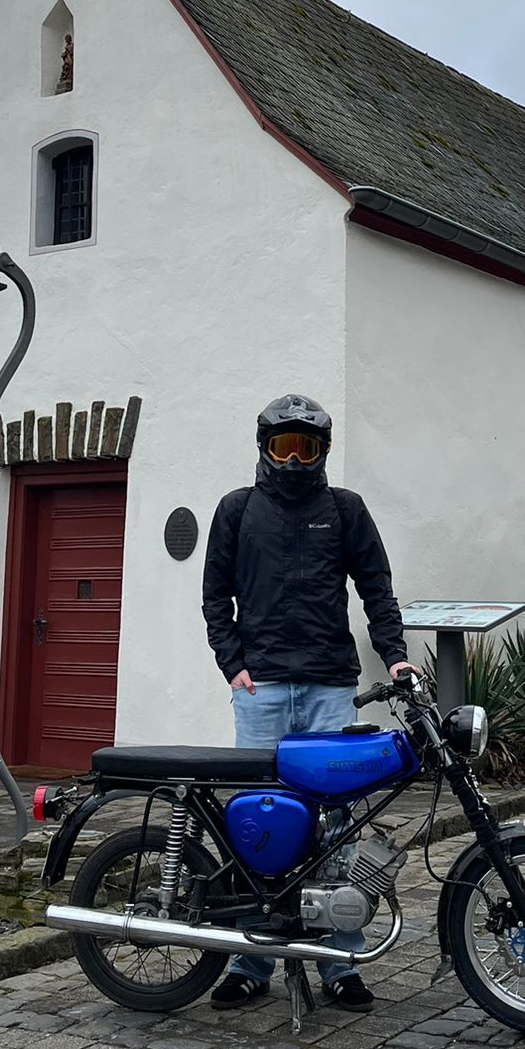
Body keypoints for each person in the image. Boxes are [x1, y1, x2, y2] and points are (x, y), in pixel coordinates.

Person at [201, 393, 416, 1012]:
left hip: (328, 687)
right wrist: (232, 665)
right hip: (261, 688)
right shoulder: (236, 511)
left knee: (336, 826)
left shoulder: (345, 511)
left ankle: (339, 961)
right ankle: (250, 962)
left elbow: (377, 588)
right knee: (257, 825)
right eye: (282, 447)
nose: (294, 460)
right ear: (264, 449)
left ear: (323, 452)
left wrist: (395, 653)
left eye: (307, 448)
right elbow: (215, 595)